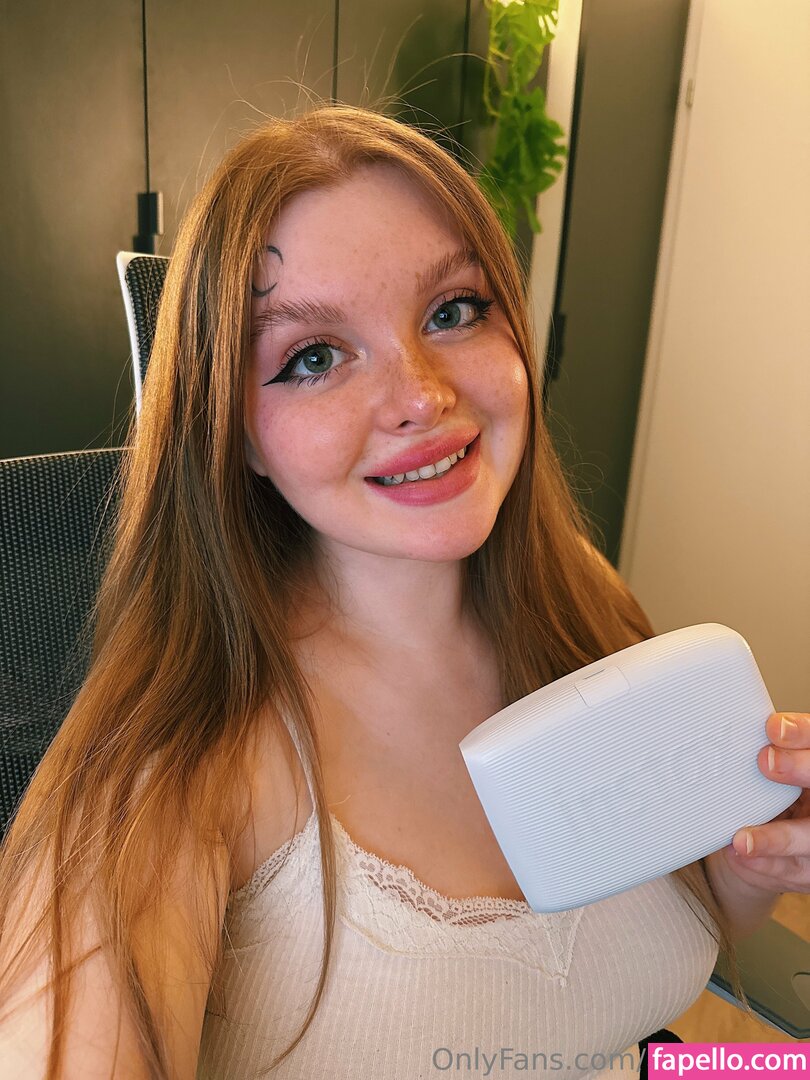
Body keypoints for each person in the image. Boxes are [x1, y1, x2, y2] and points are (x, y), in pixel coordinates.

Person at [0, 104, 806, 1080]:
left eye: (453, 310)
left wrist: (747, 868)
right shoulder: (177, 763)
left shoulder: (578, 602)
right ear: (234, 433)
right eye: (313, 357)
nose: (422, 395)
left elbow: (640, 956)